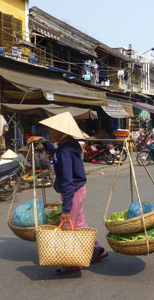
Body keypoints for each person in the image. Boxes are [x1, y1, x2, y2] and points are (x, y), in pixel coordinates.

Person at [27, 112, 108, 275]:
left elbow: (68, 181)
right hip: (77, 191)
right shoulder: (65, 145)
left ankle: (72, 262)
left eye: (54, 130)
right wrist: (42, 141)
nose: (51, 132)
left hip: (73, 191)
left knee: (68, 226)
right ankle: (96, 250)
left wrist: (66, 209)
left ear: (62, 132)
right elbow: (54, 149)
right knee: (79, 223)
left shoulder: (65, 151)